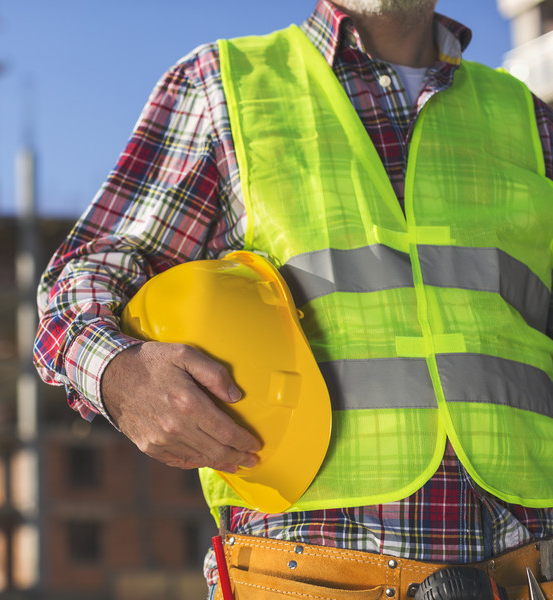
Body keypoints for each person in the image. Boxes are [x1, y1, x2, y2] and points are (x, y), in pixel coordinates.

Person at [34, 0, 553, 598]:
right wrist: (122, 375)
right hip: (310, 571)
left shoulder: (525, 117)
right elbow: (79, 284)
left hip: (528, 572)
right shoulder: (224, 88)